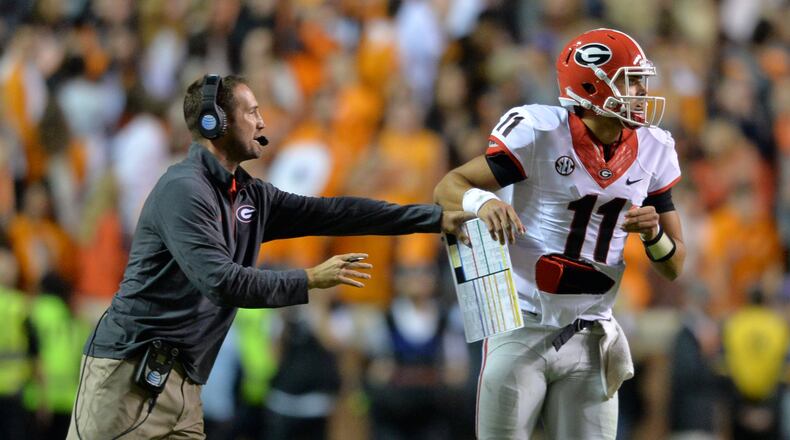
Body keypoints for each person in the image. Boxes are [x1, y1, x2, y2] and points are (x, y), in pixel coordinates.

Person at [66, 73, 473, 439]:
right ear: (215, 123)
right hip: (126, 377)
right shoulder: (183, 189)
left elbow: (334, 212)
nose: (262, 122)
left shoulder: (248, 195)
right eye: (251, 112)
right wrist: (309, 279)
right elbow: (221, 281)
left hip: (185, 385)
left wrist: (434, 218)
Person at [434, 28, 686, 439]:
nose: (642, 90)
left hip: (592, 333)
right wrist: (485, 202)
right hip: (522, 324)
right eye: (631, 79)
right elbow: (449, 186)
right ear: (592, 86)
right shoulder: (540, 131)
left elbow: (675, 267)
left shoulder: (655, 147)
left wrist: (655, 234)